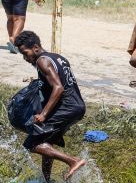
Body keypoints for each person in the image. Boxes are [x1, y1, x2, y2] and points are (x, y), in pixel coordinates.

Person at [14, 31, 86, 181]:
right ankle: (46, 180)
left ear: (35, 47)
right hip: (78, 106)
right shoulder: (59, 58)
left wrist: (44, 114)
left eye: (25, 53)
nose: (25, 58)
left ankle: (73, 161)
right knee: (46, 143)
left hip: (67, 107)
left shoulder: (42, 61)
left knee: (32, 143)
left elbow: (58, 88)